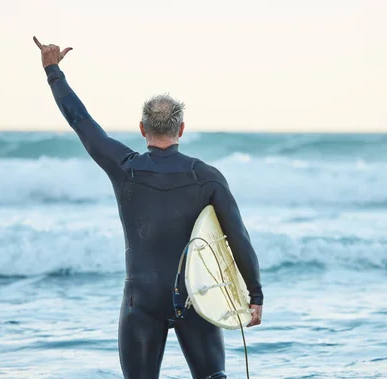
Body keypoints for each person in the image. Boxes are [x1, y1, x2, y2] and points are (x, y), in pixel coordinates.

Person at [33, 37, 263, 379]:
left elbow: (80, 121)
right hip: (195, 298)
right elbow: (238, 238)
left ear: (142, 129)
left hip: (140, 301)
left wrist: (53, 71)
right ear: (181, 129)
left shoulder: (125, 168)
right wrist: (254, 294)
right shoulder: (207, 178)